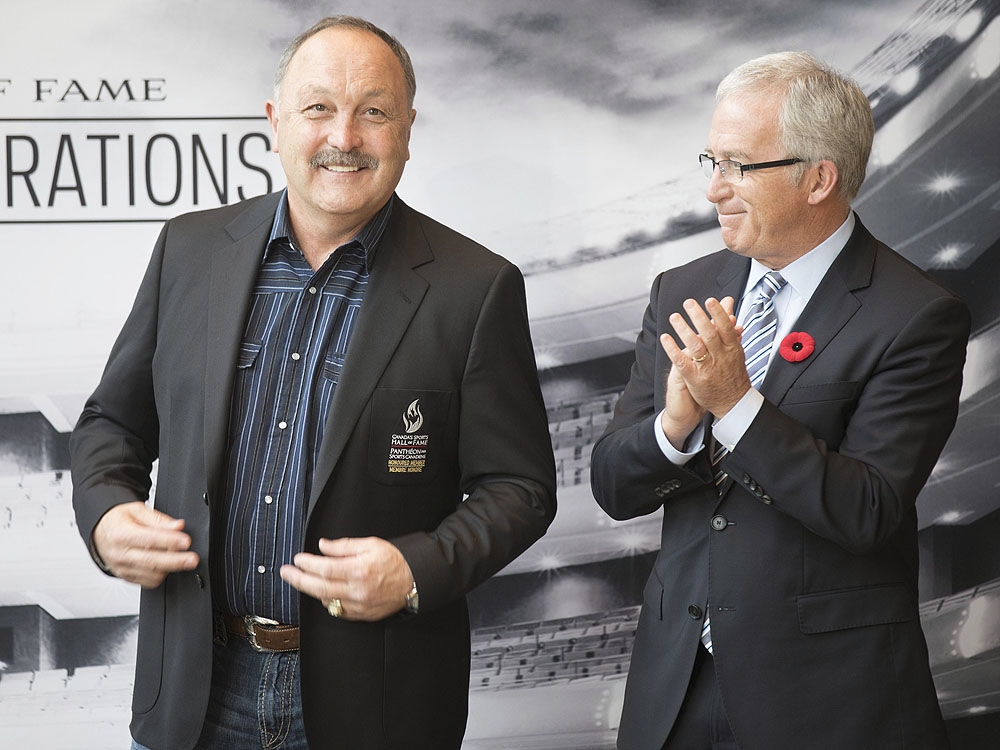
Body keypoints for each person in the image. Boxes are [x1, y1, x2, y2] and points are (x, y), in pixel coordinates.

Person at [70, 16, 556, 750]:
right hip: (194, 691)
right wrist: (107, 516)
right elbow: (113, 422)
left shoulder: (475, 288)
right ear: (275, 122)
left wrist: (416, 570)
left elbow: (520, 488)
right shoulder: (189, 250)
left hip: (377, 705)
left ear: (407, 128)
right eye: (319, 107)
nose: (345, 136)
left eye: (374, 111)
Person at [591, 51, 969, 750]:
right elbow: (613, 485)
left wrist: (736, 405)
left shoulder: (917, 315)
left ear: (818, 178)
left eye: (738, 164)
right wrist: (674, 426)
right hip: (673, 694)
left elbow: (870, 510)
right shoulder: (681, 289)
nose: (714, 190)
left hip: (829, 702)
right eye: (711, 160)